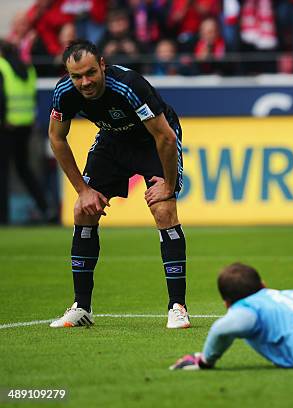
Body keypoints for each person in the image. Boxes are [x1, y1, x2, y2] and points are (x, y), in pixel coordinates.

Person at [48, 40, 190, 329]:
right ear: (68, 74)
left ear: (102, 64)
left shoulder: (129, 85)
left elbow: (166, 138)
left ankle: (177, 307)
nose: (85, 82)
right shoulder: (64, 93)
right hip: (113, 141)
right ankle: (81, 308)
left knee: (164, 210)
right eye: (77, 76)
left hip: (154, 141)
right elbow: (57, 138)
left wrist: (168, 185)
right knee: (82, 210)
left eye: (90, 73)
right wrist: (83, 190)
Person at [0, 40, 51, 225]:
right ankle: (45, 208)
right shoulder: (27, 68)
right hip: (25, 125)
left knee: (3, 172)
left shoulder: (2, 67)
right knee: (23, 169)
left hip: (5, 126)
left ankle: (3, 218)